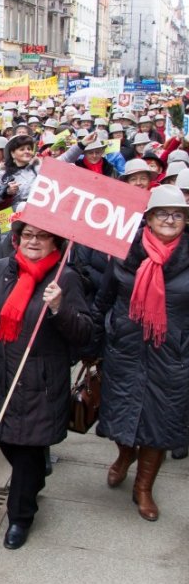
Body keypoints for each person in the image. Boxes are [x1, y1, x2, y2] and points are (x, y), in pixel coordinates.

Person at [0, 219, 91, 548]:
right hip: (3, 375)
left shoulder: (65, 278)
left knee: (24, 449)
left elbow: (84, 332)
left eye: (43, 236)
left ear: (56, 243)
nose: (34, 241)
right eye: (28, 235)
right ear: (16, 238)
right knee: (6, 441)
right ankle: (37, 475)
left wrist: (59, 307)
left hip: (42, 381)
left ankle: (20, 517)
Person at [93, 185, 189, 521]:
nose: (169, 219)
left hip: (172, 356)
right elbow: (104, 299)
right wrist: (98, 339)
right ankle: (124, 456)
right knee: (120, 413)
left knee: (159, 424)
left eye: (177, 214)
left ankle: (144, 487)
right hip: (126, 350)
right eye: (162, 213)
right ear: (147, 218)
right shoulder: (125, 252)